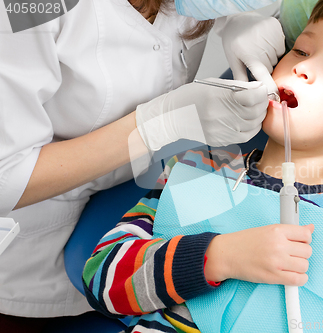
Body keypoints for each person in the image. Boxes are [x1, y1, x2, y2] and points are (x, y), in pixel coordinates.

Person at [82, 0, 323, 331]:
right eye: (301, 50)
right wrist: (219, 256)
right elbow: (102, 280)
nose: (303, 68)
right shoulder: (198, 172)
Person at [0, 0, 286, 329]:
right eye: (303, 54)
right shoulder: (28, 10)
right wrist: (155, 125)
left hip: (129, 206)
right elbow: (6, 177)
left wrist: (238, 17)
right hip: (31, 252)